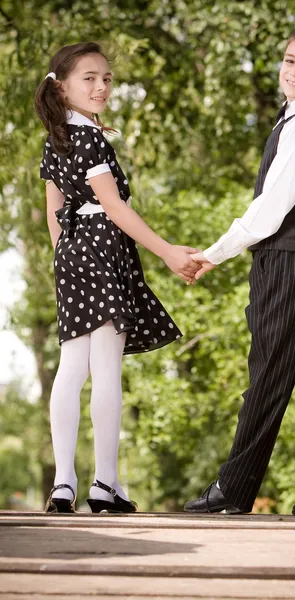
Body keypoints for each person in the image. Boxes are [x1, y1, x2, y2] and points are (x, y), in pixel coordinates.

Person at [184, 24, 295, 519]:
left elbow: (271, 210)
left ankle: (234, 489)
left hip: (290, 258)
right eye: (289, 60)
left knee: (267, 373)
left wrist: (213, 254)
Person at [35, 42, 200, 514]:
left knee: (72, 367)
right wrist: (168, 251)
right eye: (89, 78)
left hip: (70, 252)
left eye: (106, 78)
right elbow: (115, 207)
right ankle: (103, 483)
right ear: (62, 86)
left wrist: (66, 259)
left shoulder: (57, 137)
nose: (102, 86)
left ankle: (63, 482)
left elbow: (54, 212)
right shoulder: (90, 140)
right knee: (105, 367)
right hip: (102, 249)